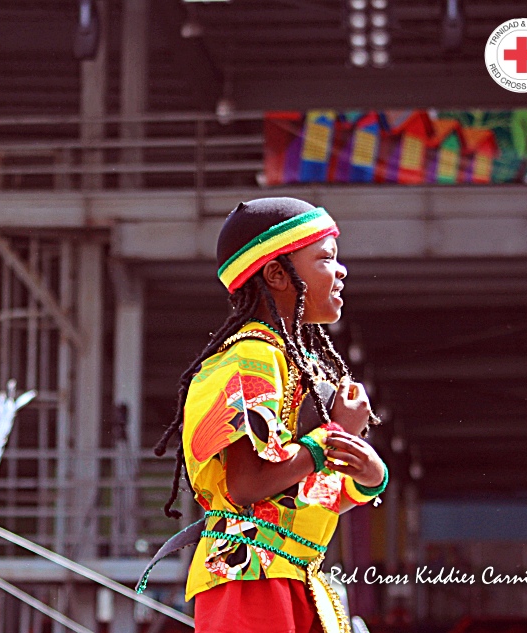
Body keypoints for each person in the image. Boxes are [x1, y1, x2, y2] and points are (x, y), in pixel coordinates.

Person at [154, 197, 388, 633]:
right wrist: (333, 435)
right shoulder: (250, 357)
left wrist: (366, 474)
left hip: (293, 576)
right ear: (277, 275)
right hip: (249, 580)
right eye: (325, 259)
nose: (341, 271)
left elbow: (295, 490)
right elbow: (247, 484)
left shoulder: (294, 362)